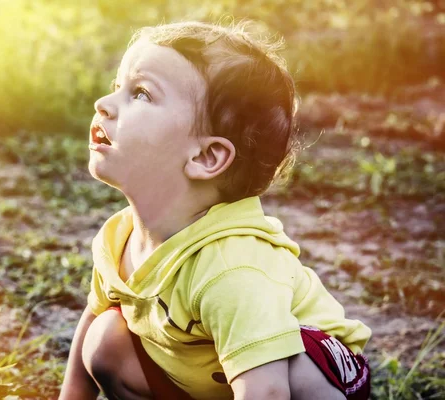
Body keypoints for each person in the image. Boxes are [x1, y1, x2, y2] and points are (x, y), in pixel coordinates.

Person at [59, 20, 372, 400]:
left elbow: (267, 392)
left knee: (296, 366)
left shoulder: (231, 267)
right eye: (116, 88)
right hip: (212, 374)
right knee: (104, 339)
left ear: (206, 156)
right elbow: (90, 324)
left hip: (310, 372)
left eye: (140, 93)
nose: (103, 105)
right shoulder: (118, 239)